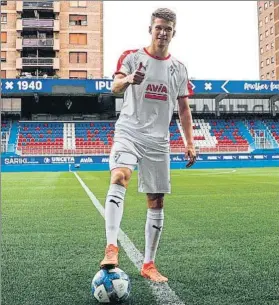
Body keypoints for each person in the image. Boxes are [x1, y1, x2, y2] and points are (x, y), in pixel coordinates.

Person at [100, 8, 196, 283]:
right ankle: (111, 247)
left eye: (168, 28)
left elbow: (184, 108)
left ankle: (148, 264)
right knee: (120, 175)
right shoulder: (132, 57)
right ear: (150, 29)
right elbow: (114, 86)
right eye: (158, 27)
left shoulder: (178, 68)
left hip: (158, 141)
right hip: (129, 131)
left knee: (156, 200)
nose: (163, 32)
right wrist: (129, 79)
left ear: (174, 32)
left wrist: (190, 142)